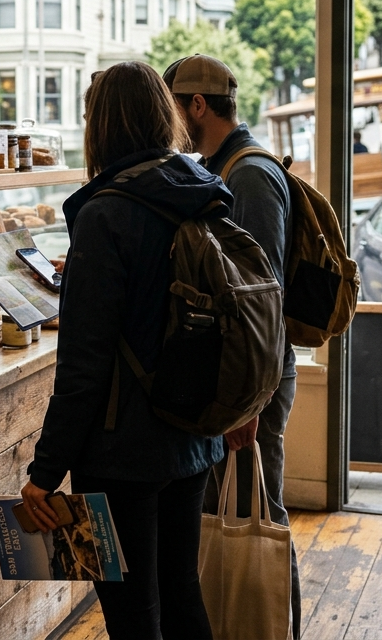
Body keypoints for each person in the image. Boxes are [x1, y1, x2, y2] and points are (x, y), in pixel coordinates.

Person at [21, 60, 226, 640]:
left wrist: (44, 472)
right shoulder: (201, 189)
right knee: (182, 593)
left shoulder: (105, 212)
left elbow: (84, 366)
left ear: (101, 125)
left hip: (123, 453)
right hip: (192, 431)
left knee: (133, 616)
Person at [162, 54, 301, 639]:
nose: (170, 125)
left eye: (174, 110)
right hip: (245, 379)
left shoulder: (248, 176)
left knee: (260, 516)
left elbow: (258, 305)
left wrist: (245, 407)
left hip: (255, 382)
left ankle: (276, 628)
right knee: (237, 514)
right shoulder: (224, 167)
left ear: (198, 106)